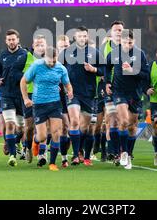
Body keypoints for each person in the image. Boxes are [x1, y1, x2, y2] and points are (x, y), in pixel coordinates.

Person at [20, 47, 74, 171]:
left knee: (56, 133)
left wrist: (70, 91)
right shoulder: (36, 66)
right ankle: (36, 140)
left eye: (54, 61)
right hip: (39, 104)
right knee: (43, 136)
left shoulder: (61, 68)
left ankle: (52, 163)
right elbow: (23, 81)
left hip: (55, 104)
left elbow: (67, 84)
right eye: (50, 61)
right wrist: (26, 99)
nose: (52, 63)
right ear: (45, 57)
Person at [59, 26, 104, 166]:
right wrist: (60, 84)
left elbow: (104, 71)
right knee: (74, 121)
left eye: (85, 36)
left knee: (84, 127)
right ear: (75, 37)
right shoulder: (66, 52)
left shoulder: (94, 52)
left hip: (89, 94)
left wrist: (94, 69)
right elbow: (57, 70)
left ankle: (80, 151)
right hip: (72, 92)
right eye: (80, 36)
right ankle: (75, 155)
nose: (82, 38)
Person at [105, 29, 149, 170]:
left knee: (132, 126)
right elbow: (107, 68)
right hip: (119, 92)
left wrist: (132, 70)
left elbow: (145, 75)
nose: (127, 44)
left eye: (130, 42)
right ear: (120, 41)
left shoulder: (140, 54)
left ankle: (129, 154)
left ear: (133, 41)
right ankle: (123, 152)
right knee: (123, 121)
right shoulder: (114, 53)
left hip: (135, 94)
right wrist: (107, 82)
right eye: (125, 41)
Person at [0, 29, 28, 167]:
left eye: (13, 39)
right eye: (9, 40)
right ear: (6, 41)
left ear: (18, 40)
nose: (11, 42)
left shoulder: (26, 54)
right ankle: (12, 155)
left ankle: (15, 142)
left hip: (21, 95)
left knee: (21, 128)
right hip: (6, 94)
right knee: (9, 124)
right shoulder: (2, 55)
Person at [100, 21, 123, 165]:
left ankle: (118, 149)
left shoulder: (129, 47)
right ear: (111, 32)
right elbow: (100, 66)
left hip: (124, 89)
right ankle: (112, 150)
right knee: (111, 118)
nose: (119, 32)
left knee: (123, 120)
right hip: (107, 87)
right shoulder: (104, 48)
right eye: (116, 30)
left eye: (121, 30)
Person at [22, 35, 46, 165]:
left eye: (42, 44)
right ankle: (28, 147)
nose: (40, 47)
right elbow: (19, 77)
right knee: (30, 127)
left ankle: (42, 153)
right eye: (37, 45)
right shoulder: (26, 57)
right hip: (29, 95)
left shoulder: (51, 59)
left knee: (43, 125)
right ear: (33, 46)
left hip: (45, 96)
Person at [56, 35, 72, 168]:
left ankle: (76, 152)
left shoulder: (74, 61)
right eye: (61, 47)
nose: (64, 49)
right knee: (64, 126)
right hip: (58, 98)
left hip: (72, 96)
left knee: (72, 127)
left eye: (66, 46)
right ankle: (64, 157)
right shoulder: (53, 62)